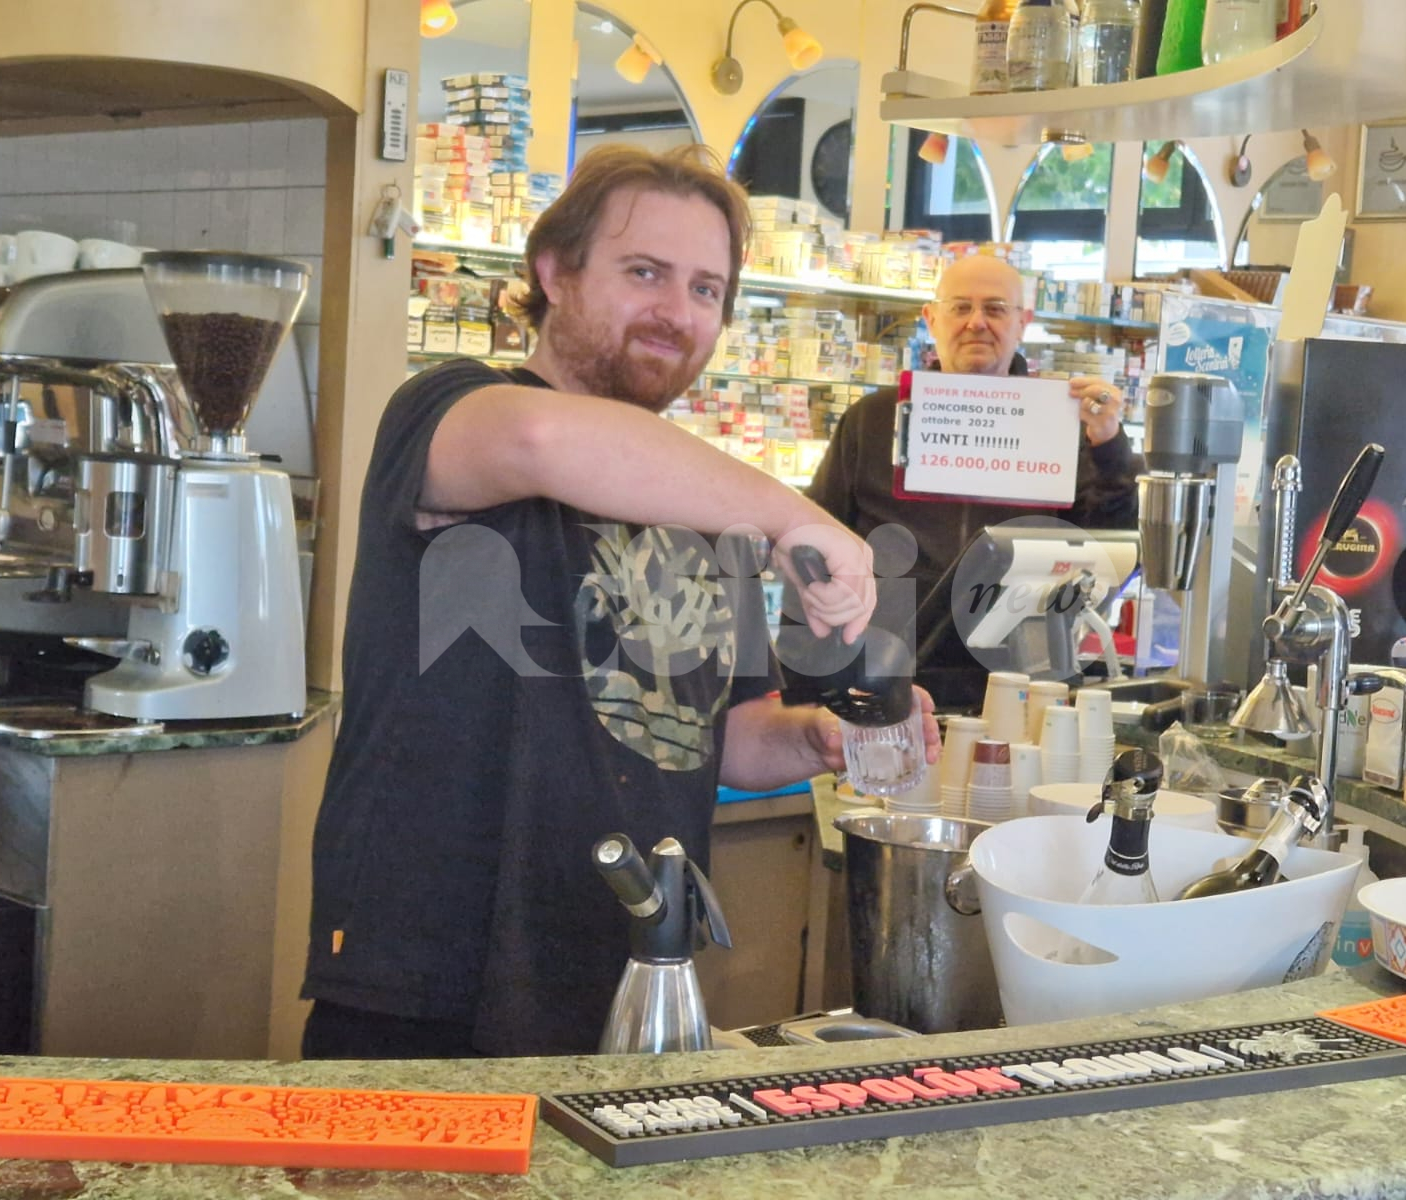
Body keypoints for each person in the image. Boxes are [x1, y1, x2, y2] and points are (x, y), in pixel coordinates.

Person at [300, 144, 936, 1060]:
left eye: (706, 289)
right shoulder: (448, 408)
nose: (677, 311)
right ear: (553, 274)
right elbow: (541, 439)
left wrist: (813, 739)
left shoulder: (704, 504)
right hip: (426, 981)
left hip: (625, 976)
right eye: (645, 272)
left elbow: (715, 736)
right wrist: (793, 515)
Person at [806, 253, 1143, 595]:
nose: (976, 323)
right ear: (931, 319)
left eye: (995, 309)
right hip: (889, 625)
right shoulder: (872, 418)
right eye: (960, 307)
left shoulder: (1066, 425)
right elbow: (814, 535)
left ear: (1022, 323)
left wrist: (1109, 445)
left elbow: (1108, 554)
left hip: (1014, 624)